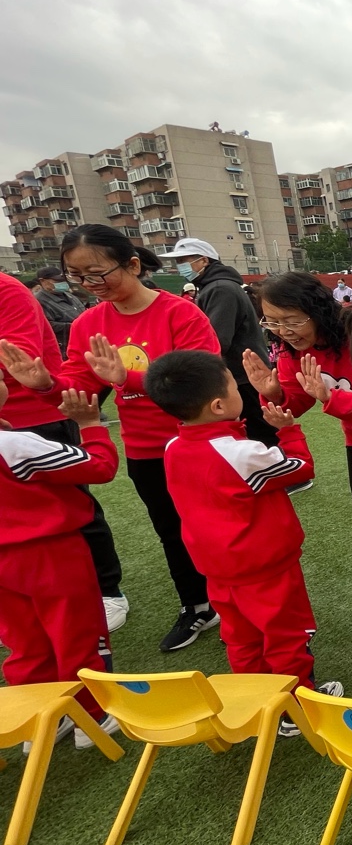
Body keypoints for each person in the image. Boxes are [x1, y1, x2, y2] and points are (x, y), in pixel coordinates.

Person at [0, 225, 222, 653]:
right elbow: (80, 385)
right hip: (145, 449)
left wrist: (130, 378)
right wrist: (46, 384)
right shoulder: (89, 323)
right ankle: (197, 605)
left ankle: (240, 601)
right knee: (171, 531)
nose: (89, 284)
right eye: (77, 275)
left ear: (133, 265)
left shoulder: (179, 313)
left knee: (216, 528)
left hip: (198, 443)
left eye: (97, 273)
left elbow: (203, 382)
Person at [144, 350, 343, 732]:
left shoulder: (173, 448)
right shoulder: (241, 452)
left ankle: (257, 706)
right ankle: (295, 711)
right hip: (265, 568)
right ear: (219, 406)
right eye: (235, 388)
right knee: (286, 638)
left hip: (217, 569)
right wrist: (288, 430)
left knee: (241, 640)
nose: (241, 392)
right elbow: (300, 467)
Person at [243, 272, 352, 626]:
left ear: (317, 310)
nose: (284, 331)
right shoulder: (291, 351)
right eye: (273, 321)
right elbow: (297, 402)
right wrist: (274, 394)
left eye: (292, 320)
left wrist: (330, 398)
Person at [0, 269, 128, 631]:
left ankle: (107, 590)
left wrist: (90, 425)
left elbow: (19, 356)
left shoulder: (7, 291)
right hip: (8, 424)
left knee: (72, 505)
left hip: (35, 416)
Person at [0, 383, 119, 748]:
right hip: (49, 552)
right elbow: (99, 467)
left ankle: (40, 719)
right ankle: (93, 716)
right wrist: (91, 425)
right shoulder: (14, 445)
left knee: (25, 642)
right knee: (77, 632)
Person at [166, 238, 275, 446]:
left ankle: (284, 466)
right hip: (242, 372)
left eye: (183, 260)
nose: (179, 266)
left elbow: (216, 339)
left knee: (259, 434)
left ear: (204, 260)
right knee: (253, 433)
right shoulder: (215, 286)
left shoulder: (220, 288)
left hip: (242, 375)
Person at [32, 267, 87, 353]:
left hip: (83, 342)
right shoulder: (39, 301)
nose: (62, 283)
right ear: (43, 281)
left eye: (63, 280)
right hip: (64, 347)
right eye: (57, 281)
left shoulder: (70, 296)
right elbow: (47, 325)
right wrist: (76, 326)